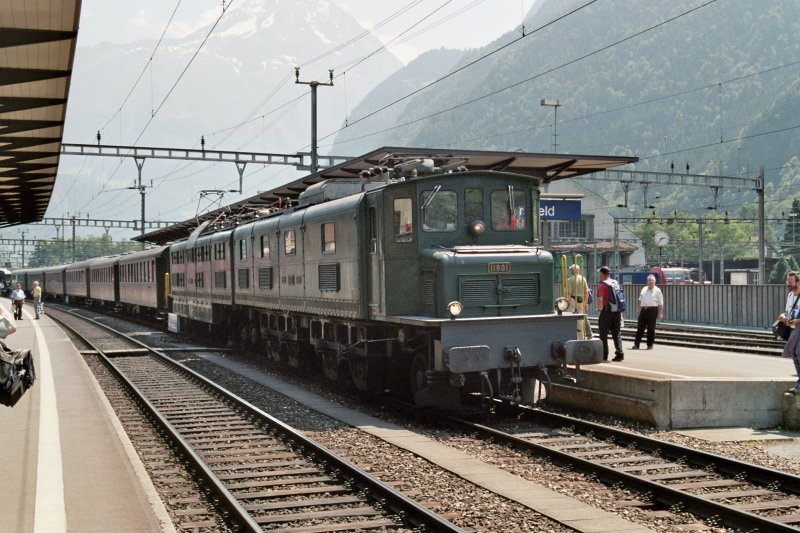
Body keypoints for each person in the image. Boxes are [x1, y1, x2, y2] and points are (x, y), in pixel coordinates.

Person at [595, 266, 624, 362]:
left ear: (602, 274)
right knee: (617, 333)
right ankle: (620, 354)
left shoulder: (603, 285)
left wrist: (599, 309)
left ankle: (604, 355)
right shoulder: (615, 282)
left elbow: (600, 299)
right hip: (617, 312)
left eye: (600, 273)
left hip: (607, 311)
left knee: (603, 334)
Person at [631, 274, 664, 350]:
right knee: (640, 328)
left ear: (654, 282)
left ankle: (650, 345)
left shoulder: (658, 291)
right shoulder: (644, 289)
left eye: (652, 280)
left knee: (651, 329)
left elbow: (660, 303)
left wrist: (660, 313)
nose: (650, 282)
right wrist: (639, 308)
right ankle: (636, 344)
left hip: (652, 310)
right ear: (647, 281)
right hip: (643, 310)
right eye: (649, 280)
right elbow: (640, 300)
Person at [780, 272, 800, 394]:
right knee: (794, 353)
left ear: (798, 282)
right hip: (793, 328)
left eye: (791, 282)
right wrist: (783, 317)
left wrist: (797, 320)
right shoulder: (790, 296)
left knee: (798, 352)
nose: (788, 284)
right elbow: (787, 312)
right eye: (788, 282)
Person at [566, 264, 592, 338]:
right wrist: (586, 303)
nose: (570, 271)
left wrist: (566, 303)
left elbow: (568, 294)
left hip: (573, 300)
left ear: (572, 271)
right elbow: (586, 292)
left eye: (571, 270)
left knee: (570, 317)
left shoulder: (570, 280)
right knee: (581, 318)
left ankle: (573, 336)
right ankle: (583, 336)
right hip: (581, 300)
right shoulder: (583, 278)